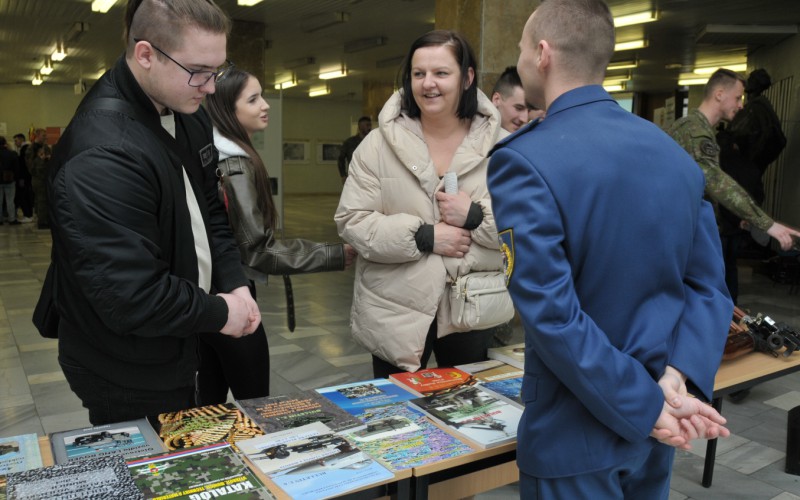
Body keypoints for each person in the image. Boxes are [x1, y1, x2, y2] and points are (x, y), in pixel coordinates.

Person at [486, 1, 732, 498]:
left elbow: (552, 313)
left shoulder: (525, 160)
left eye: (521, 49)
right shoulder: (674, 157)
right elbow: (709, 288)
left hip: (574, 433)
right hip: (656, 429)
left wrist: (646, 404)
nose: (521, 59)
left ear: (542, 53)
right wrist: (675, 377)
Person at [43, 0, 260, 425]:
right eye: (198, 71)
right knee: (154, 461)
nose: (210, 87)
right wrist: (221, 313)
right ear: (145, 54)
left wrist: (235, 283)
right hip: (126, 365)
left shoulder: (188, 113)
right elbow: (131, 295)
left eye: (217, 71)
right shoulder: (102, 154)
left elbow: (210, 210)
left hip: (184, 330)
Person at [335, 30, 507, 378]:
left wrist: (475, 216)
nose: (428, 83)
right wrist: (425, 237)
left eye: (441, 73)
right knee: (394, 405)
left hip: (471, 304)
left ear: (467, 77)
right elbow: (352, 220)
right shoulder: (377, 145)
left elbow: (524, 228)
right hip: (394, 307)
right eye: (419, 73)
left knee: (466, 402)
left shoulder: (503, 148)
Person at [202, 68, 356, 404]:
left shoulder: (220, 156)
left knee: (208, 403)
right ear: (228, 109)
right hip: (233, 294)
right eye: (253, 99)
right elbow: (257, 249)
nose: (265, 105)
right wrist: (333, 254)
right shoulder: (234, 165)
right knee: (256, 402)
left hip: (210, 294)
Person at [668, 69, 800, 252]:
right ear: (719, 95)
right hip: (681, 232)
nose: (741, 105)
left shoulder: (693, 127)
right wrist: (766, 224)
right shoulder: (696, 133)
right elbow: (716, 182)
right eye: (738, 98)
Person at [729, 68, 787, 175]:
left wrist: (753, 158)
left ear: (756, 84)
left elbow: (744, 133)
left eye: (751, 79)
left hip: (748, 165)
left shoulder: (756, 107)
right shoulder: (758, 106)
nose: (748, 81)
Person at [491, 66, 531, 133]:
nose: (525, 119)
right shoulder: (475, 133)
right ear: (496, 100)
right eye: (519, 108)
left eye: (529, 111)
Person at [27, 128, 51, 229]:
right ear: (37, 136)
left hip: (45, 177)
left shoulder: (45, 147)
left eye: (46, 135)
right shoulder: (31, 148)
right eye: (43, 135)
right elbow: (30, 166)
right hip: (38, 178)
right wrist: (41, 160)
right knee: (41, 200)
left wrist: (48, 159)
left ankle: (42, 218)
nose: (46, 137)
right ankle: (42, 222)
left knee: (42, 199)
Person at [337, 116, 371, 183]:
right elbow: (341, 159)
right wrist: (343, 175)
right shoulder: (349, 142)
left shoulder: (372, 142)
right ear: (360, 127)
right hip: (354, 177)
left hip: (370, 178)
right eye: (367, 125)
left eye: (370, 125)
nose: (369, 128)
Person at [12, 133, 33, 223]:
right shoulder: (27, 148)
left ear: (21, 140)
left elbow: (23, 166)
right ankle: (29, 214)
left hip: (24, 177)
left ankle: (27, 215)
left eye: (16, 140)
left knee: (23, 196)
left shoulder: (25, 149)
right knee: (26, 195)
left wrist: (21, 178)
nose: (15, 143)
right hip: (27, 177)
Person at [0, 137, 21, 225]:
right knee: (10, 200)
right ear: (5, 143)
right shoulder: (12, 153)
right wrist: (17, 178)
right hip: (9, 179)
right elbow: (16, 168)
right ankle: (12, 219)